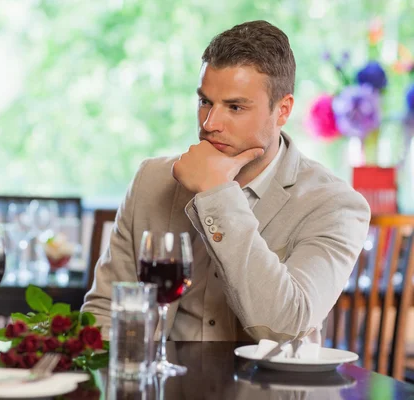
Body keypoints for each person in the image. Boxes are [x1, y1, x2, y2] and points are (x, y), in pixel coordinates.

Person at [81, 20, 371, 343]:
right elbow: (103, 313)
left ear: (283, 110)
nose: (209, 123)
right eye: (205, 101)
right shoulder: (151, 181)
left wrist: (217, 194)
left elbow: (285, 327)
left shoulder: (335, 205)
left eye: (234, 107)